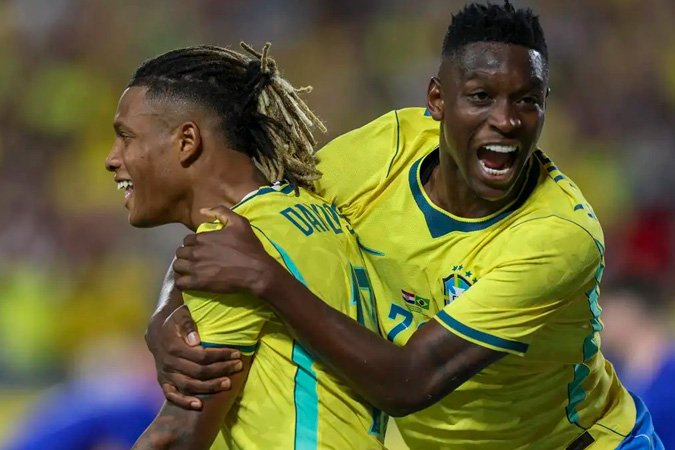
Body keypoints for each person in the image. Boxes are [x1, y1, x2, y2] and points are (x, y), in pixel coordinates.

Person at [148, 2, 664, 449]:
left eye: (527, 100)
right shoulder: (384, 153)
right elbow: (249, 215)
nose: (506, 120)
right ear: (437, 101)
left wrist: (268, 279)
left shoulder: (558, 236)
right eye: (481, 97)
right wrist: (167, 314)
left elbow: (409, 382)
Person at [104, 43, 385, 449]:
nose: (112, 159)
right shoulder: (313, 212)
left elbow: (177, 434)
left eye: (126, 138)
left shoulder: (229, 256)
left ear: (186, 141)